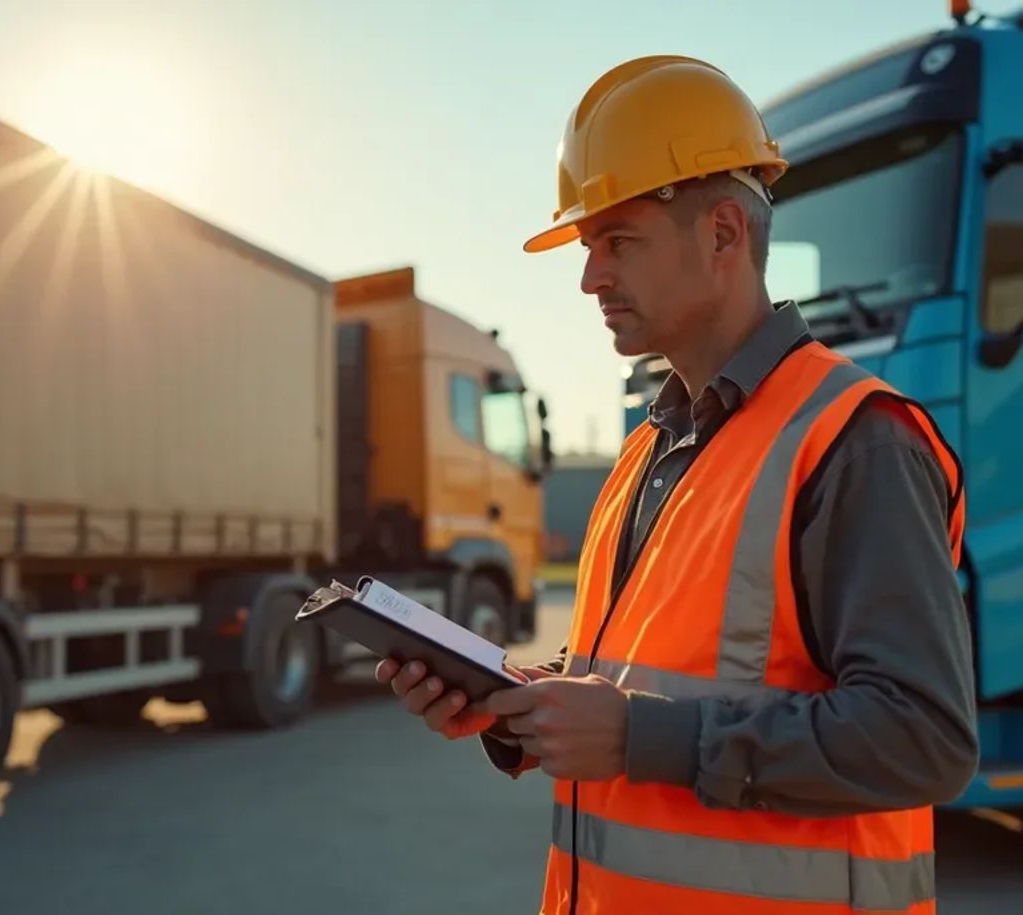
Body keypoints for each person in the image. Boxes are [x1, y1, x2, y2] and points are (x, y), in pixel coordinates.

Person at [375, 54, 978, 914]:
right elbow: (643, 672)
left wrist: (639, 736)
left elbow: (925, 740)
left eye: (618, 241)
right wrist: (513, 702)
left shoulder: (856, 442)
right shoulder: (647, 452)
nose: (590, 278)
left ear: (725, 233)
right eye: (588, 247)